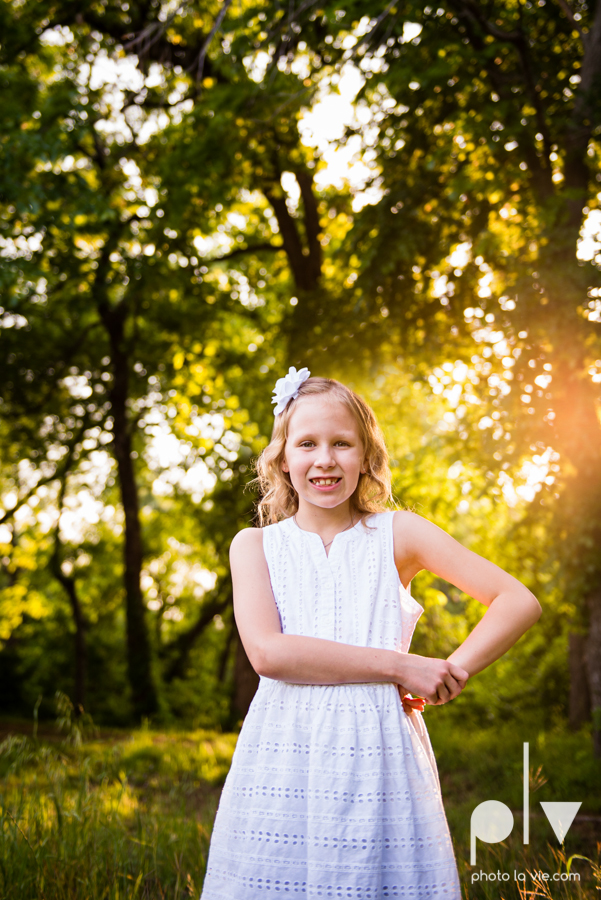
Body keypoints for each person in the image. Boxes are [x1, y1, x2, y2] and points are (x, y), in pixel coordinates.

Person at [200, 367, 541, 899]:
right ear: (282, 457)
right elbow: (269, 653)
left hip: (378, 748)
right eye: (307, 443)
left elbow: (517, 600)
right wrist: (402, 665)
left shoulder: (399, 534)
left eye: (342, 443)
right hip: (283, 750)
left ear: (366, 456)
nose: (325, 459)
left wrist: (453, 669)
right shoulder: (255, 546)